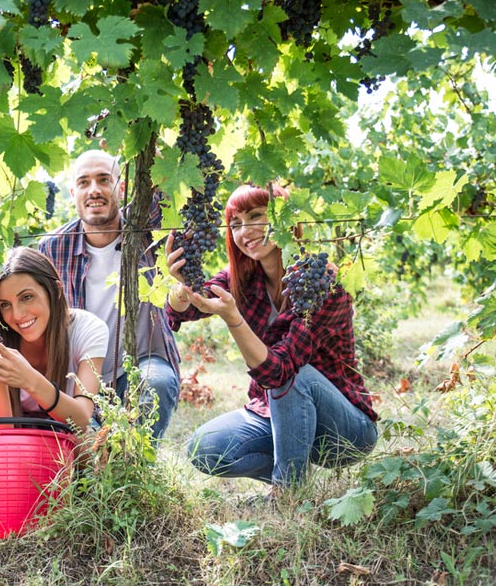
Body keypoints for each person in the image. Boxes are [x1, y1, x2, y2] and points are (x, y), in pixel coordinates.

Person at [165, 183, 379, 491]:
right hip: (277, 414)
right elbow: (182, 312)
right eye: (235, 223)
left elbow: (278, 371)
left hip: (344, 429)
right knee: (204, 448)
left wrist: (233, 318)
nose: (245, 230)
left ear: (285, 220)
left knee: (296, 376)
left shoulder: (322, 283)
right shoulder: (243, 278)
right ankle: (299, 479)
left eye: (256, 216)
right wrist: (182, 287)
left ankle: (287, 493)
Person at [38, 149, 181, 439]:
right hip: (77, 374)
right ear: (72, 192)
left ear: (123, 186)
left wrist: (132, 134)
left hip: (143, 360)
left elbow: (171, 175)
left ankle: (135, 472)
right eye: (84, 182)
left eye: (104, 180)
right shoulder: (51, 249)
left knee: (158, 384)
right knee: (86, 450)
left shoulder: (146, 229)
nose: (94, 190)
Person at [0, 247, 108, 431]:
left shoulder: (88, 329)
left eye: (27, 297)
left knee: (89, 443)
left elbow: (82, 420)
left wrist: (29, 380)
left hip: (66, 422)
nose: (17, 315)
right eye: (5, 305)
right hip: (6, 429)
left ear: (56, 290)